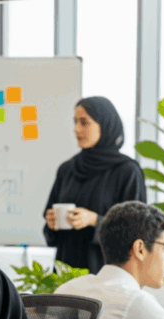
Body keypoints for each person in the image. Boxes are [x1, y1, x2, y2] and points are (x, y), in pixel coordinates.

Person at [42, 96, 146, 274]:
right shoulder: (67, 169)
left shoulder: (127, 171)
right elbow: (50, 235)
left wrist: (95, 221)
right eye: (75, 122)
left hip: (106, 274)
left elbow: (136, 231)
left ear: (105, 126)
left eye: (84, 122)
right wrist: (51, 223)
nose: (76, 129)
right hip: (66, 273)